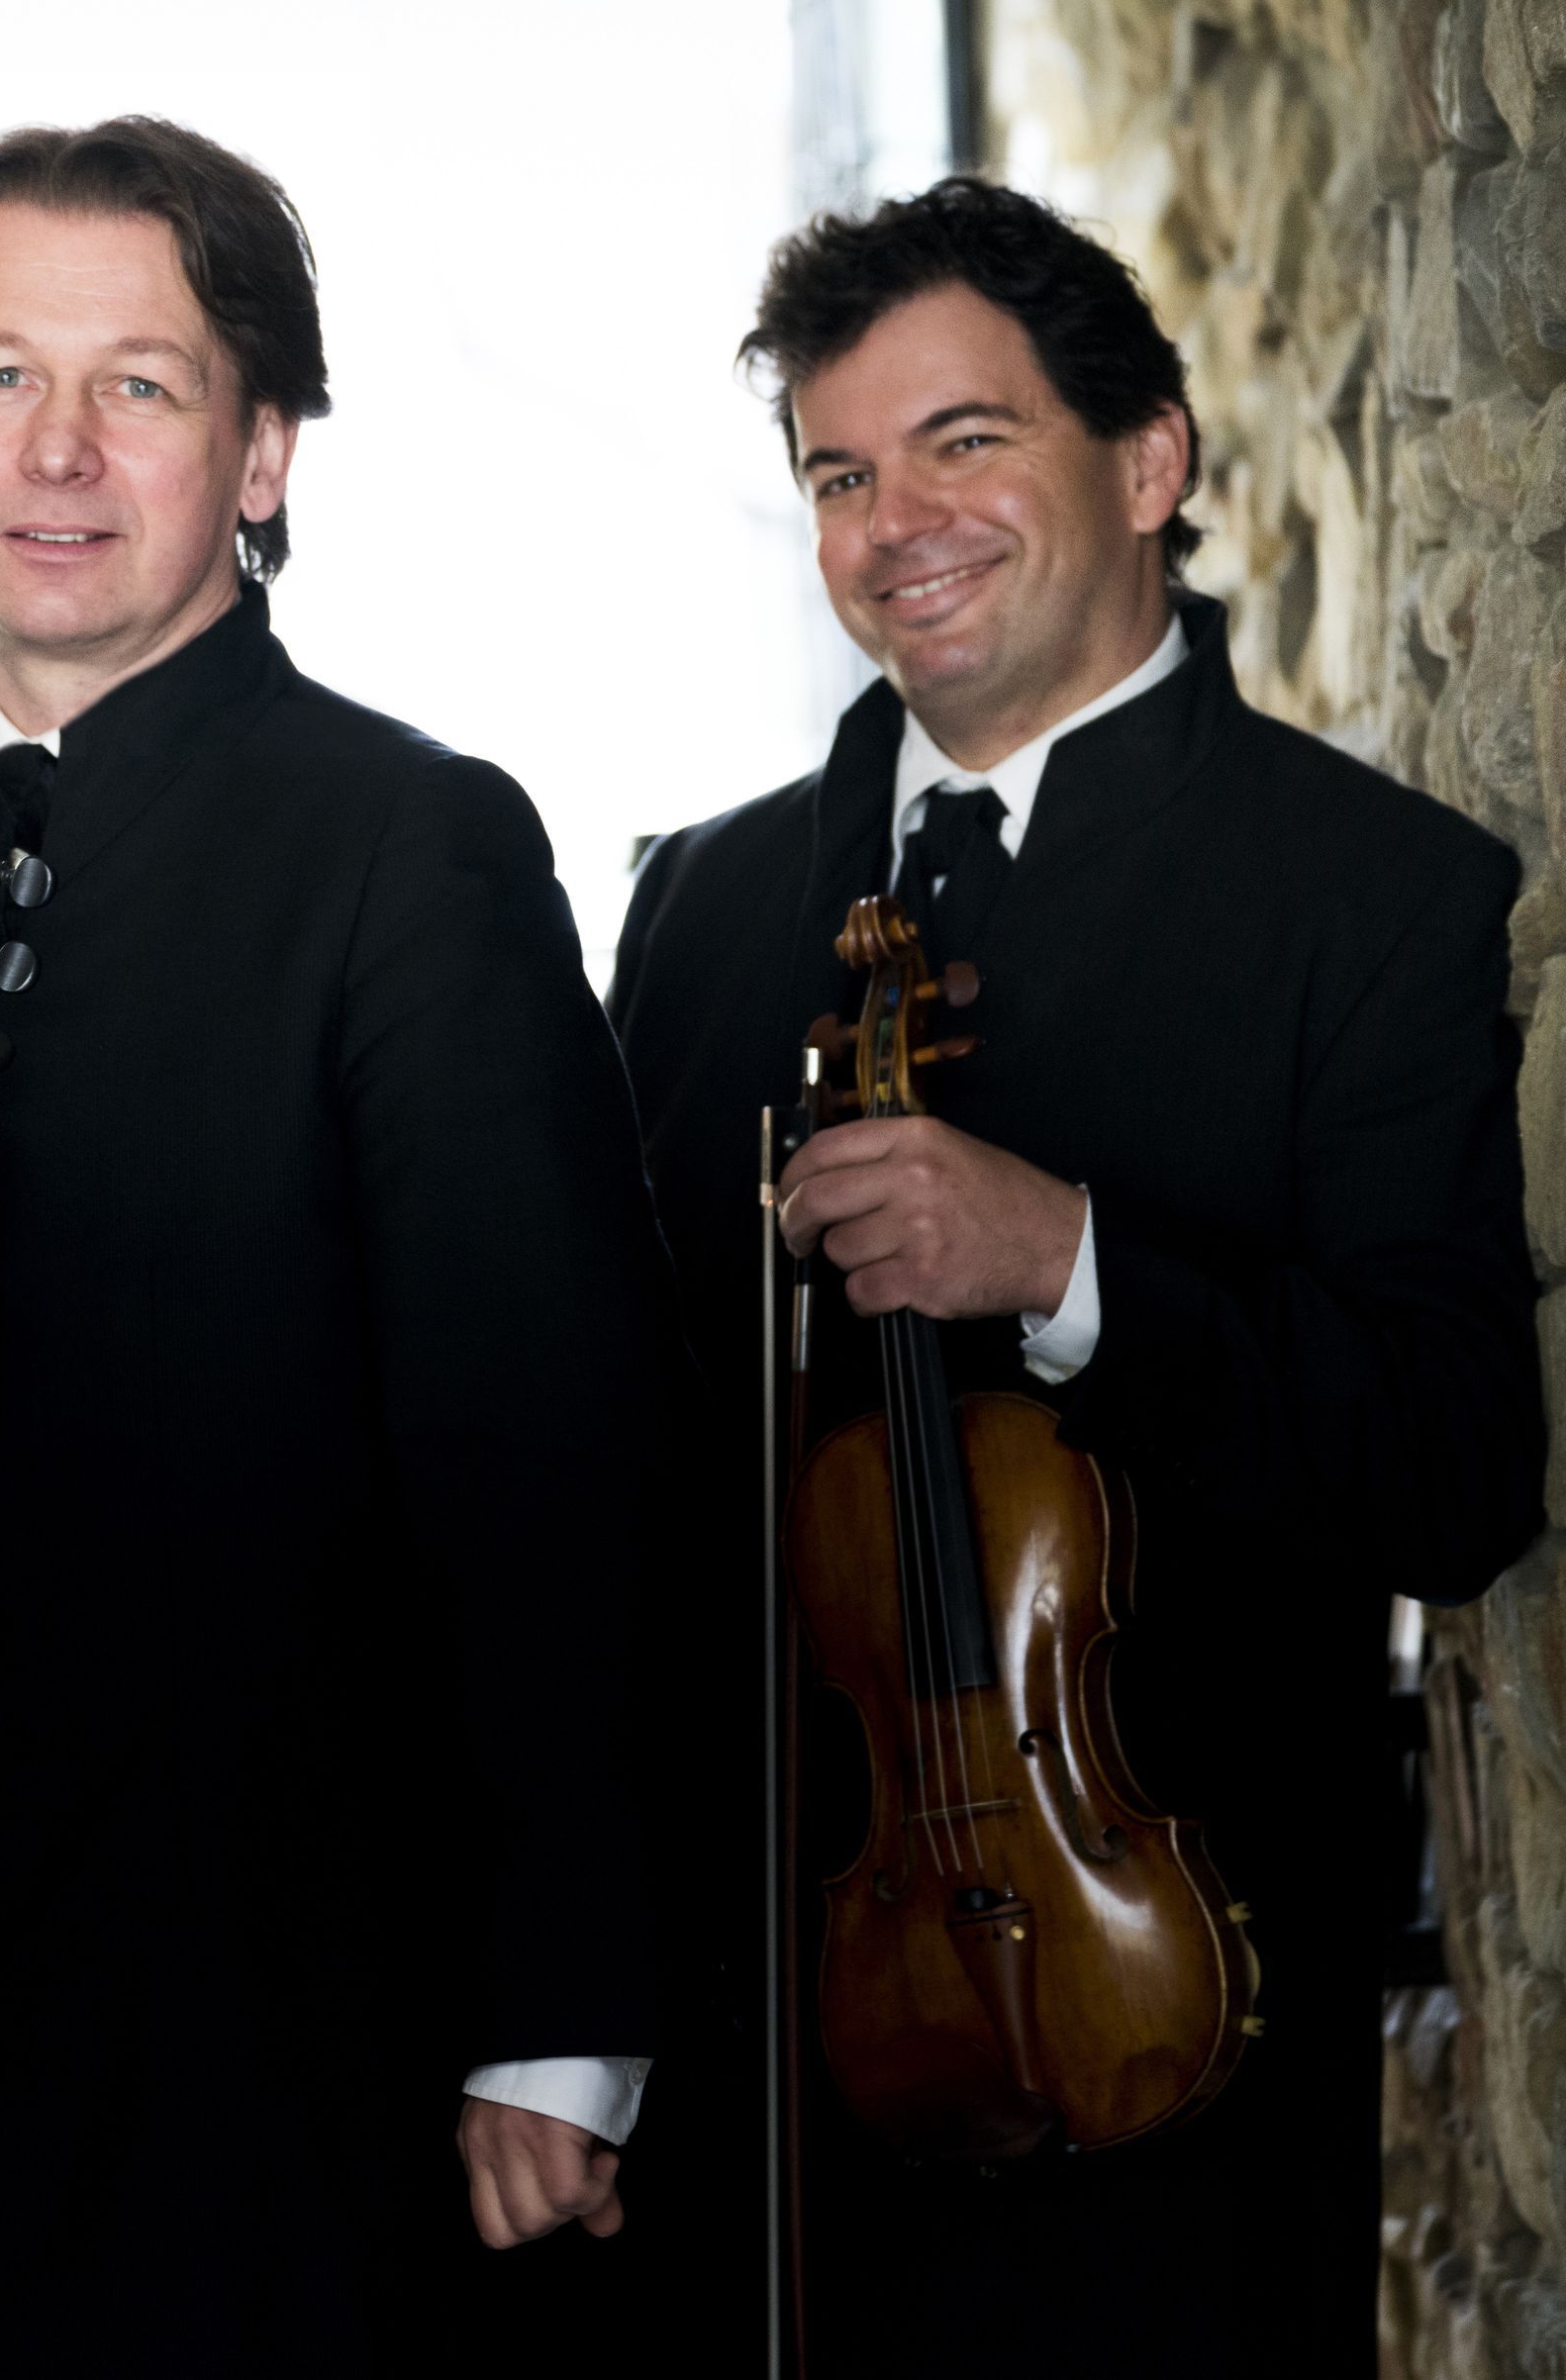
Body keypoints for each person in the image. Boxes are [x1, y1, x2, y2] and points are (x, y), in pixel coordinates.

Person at [0, 118, 674, 2370]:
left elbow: (556, 1465)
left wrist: (561, 2019)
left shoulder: (414, 850)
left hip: (284, 2051)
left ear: (261, 455)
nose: (57, 448)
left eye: (142, 386)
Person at [606, 177, 1544, 2373]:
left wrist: (1069, 1262)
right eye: (839, 474)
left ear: (1146, 463)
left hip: (1158, 2048)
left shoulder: (1369, 901)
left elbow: (1449, 1469)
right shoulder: (703, 912)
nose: (893, 524)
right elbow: (610, 1475)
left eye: (964, 442)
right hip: (757, 2080)